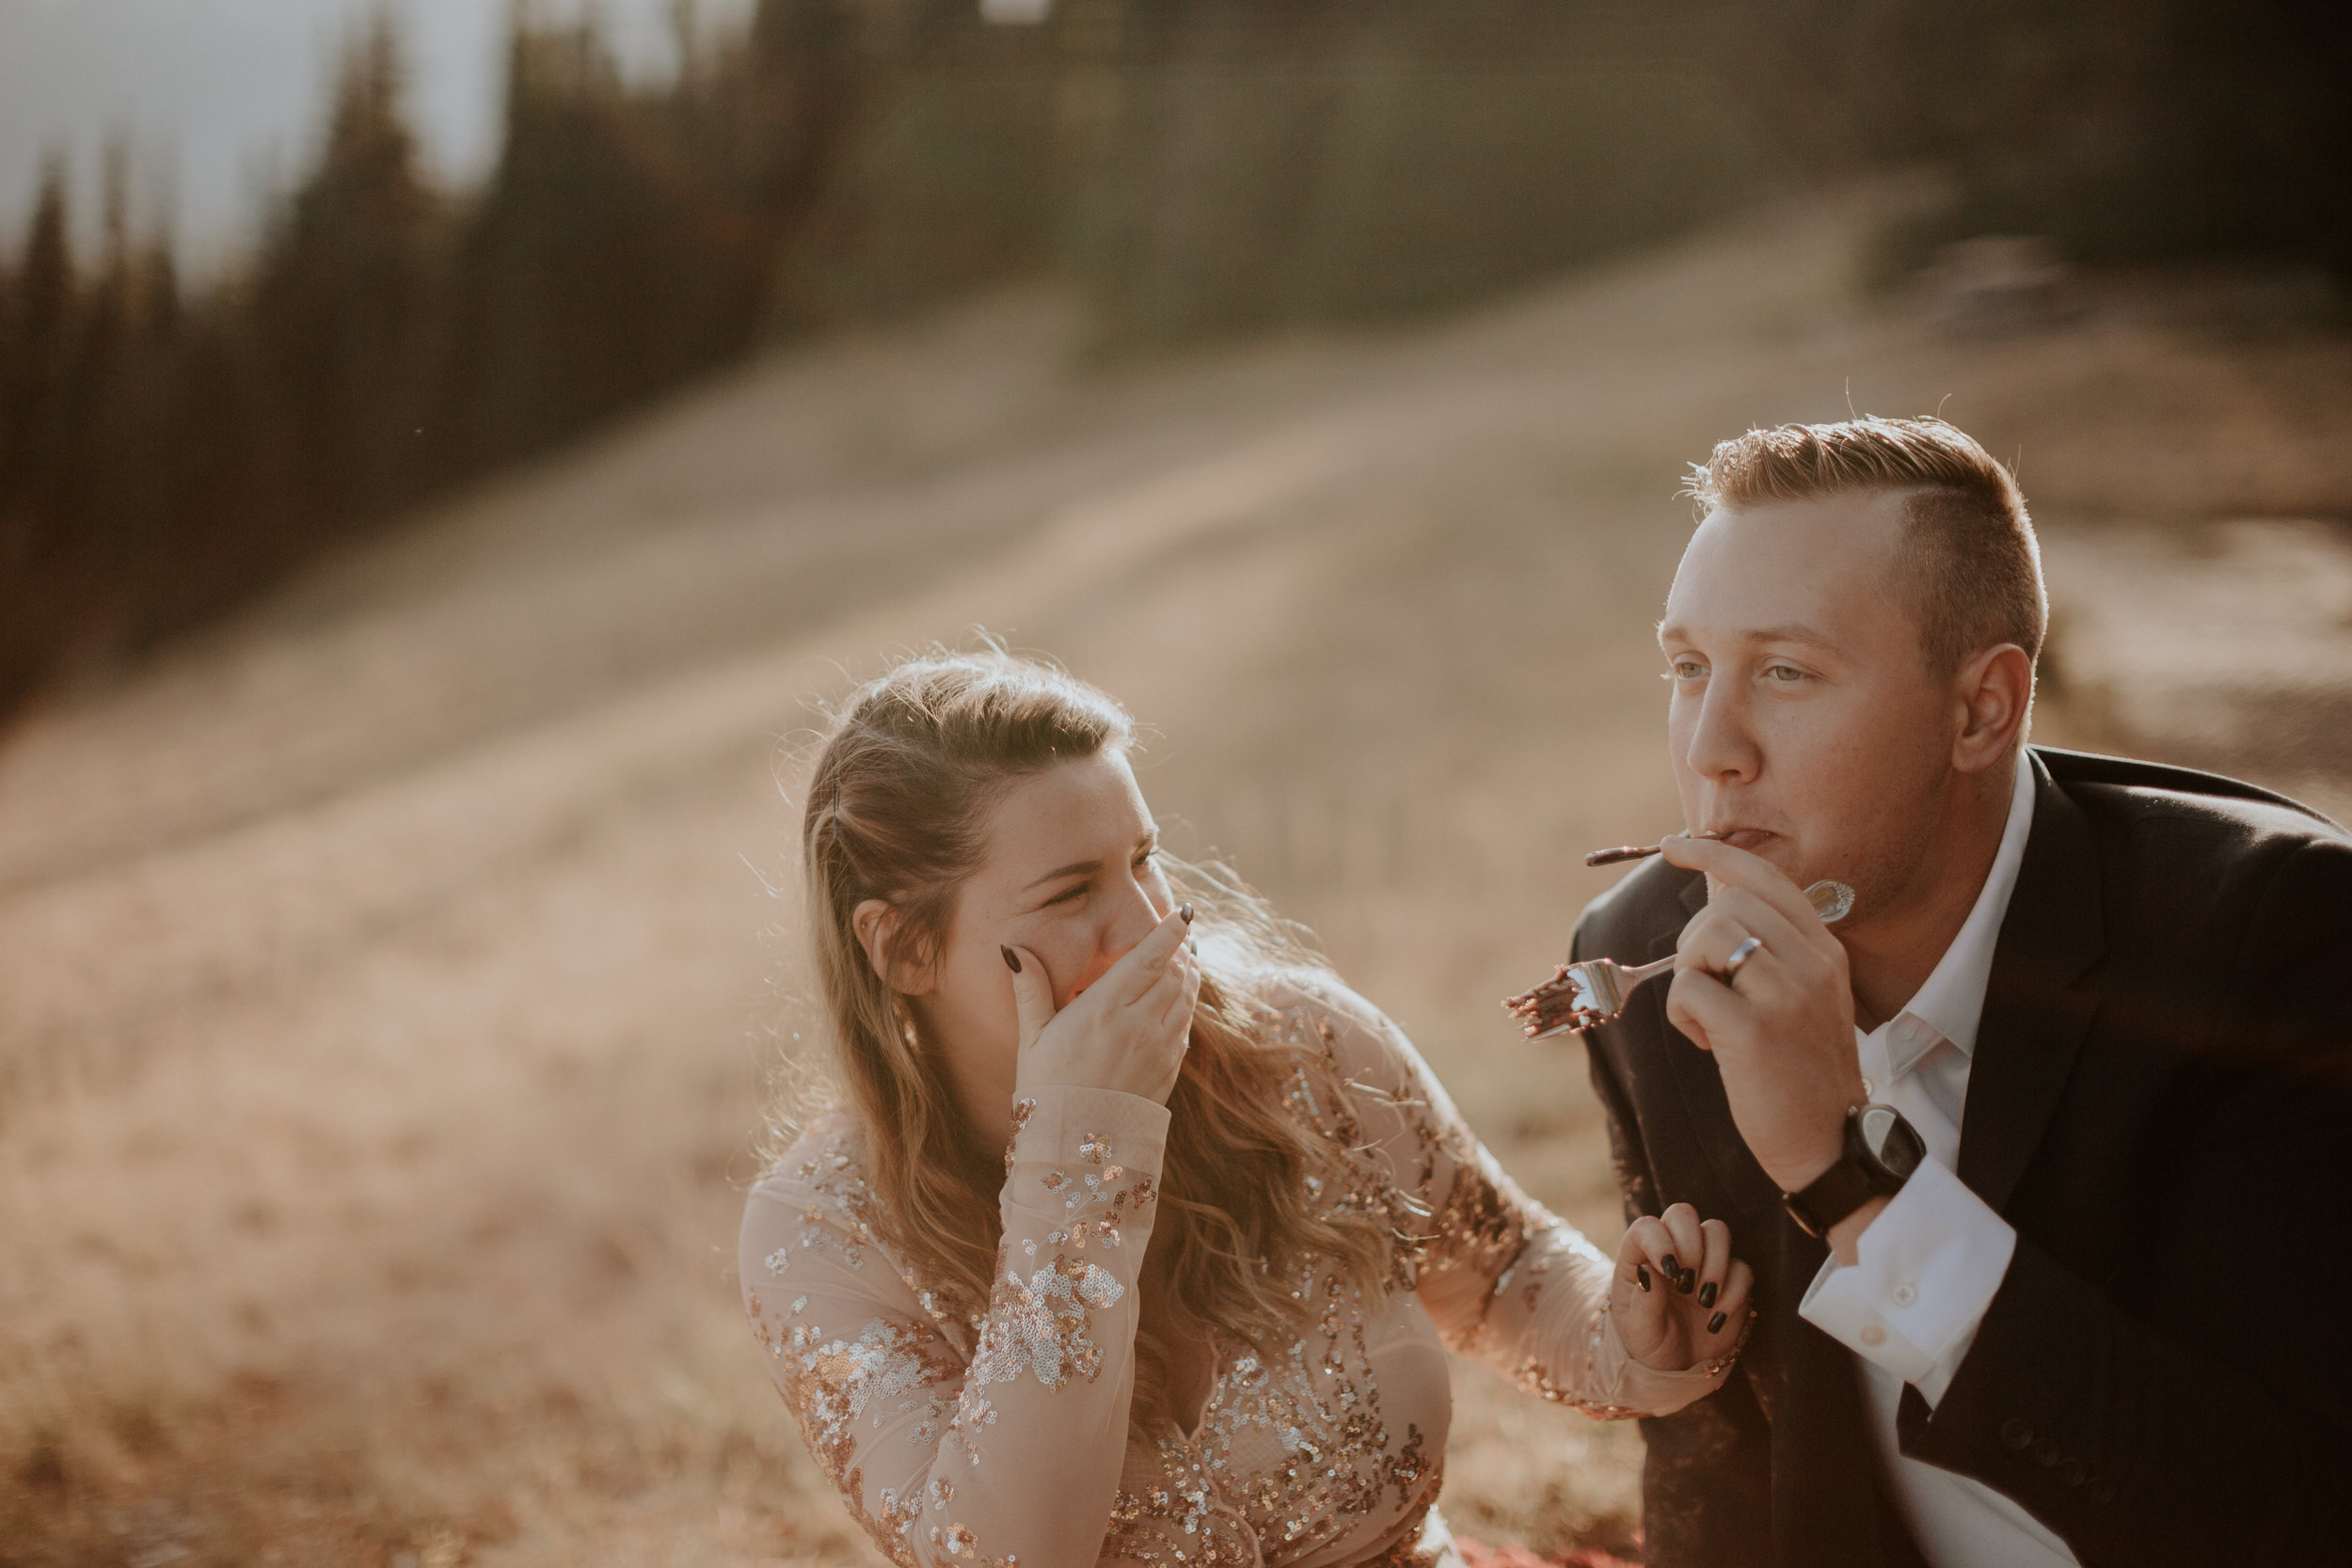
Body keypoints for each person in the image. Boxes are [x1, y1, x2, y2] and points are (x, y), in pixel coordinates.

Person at [739, 652, 1752, 1567]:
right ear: (903, 949)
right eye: (1069, 890)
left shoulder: (1300, 1043)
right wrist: (1081, 1151)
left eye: (1144, 859)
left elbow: (1500, 1272)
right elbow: (1005, 1553)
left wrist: (1626, 1344)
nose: (1154, 926)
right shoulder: (821, 1229)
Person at [1573, 415, 2352, 1567]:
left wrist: (1848, 1179)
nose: (1712, 748)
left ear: (1980, 707)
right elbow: (1723, 1463)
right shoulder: (1647, 951)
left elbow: (2276, 1514)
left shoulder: (2267, 934)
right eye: (1689, 668)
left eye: (1785, 672)